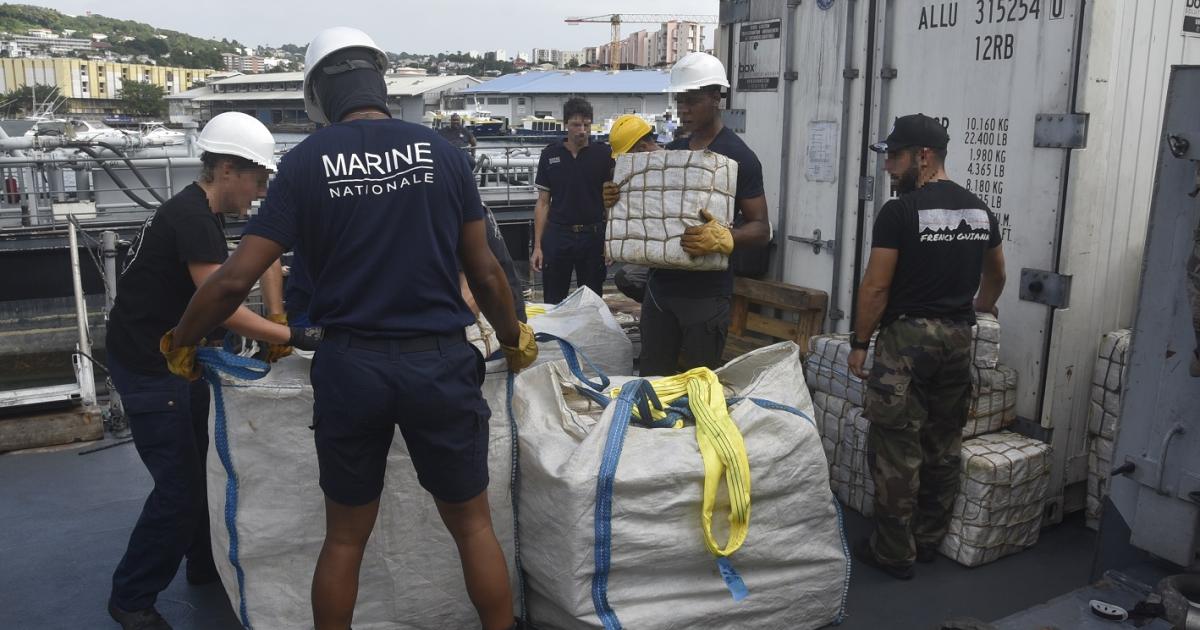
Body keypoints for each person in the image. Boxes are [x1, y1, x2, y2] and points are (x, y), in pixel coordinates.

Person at [161, 27, 535, 630]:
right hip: (438, 363)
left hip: (350, 367)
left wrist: (182, 340)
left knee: (344, 540)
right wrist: (513, 336)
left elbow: (233, 281)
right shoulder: (441, 153)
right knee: (472, 525)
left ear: (316, 94)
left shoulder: (305, 164)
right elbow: (487, 271)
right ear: (381, 83)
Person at [104, 112, 302, 630]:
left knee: (201, 461)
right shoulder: (191, 218)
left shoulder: (195, 212)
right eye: (258, 181)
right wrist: (289, 335)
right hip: (154, 366)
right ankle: (131, 597)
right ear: (229, 169)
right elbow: (220, 302)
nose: (259, 193)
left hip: (170, 360)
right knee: (179, 489)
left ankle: (203, 562)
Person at [847, 113, 1006, 580]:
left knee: (896, 444)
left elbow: (875, 288)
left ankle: (895, 552)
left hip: (907, 341)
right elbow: (997, 273)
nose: (888, 168)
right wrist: (981, 306)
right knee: (943, 441)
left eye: (895, 158)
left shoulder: (900, 213)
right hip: (958, 339)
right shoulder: (979, 210)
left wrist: (859, 343)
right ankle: (928, 540)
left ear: (924, 156)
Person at [604, 52, 770, 376]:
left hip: (705, 298)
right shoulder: (676, 152)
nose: (683, 109)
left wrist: (726, 237)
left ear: (716, 97)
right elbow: (648, 209)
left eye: (692, 100)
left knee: (697, 388)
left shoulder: (740, 158)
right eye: (680, 100)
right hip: (660, 291)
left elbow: (762, 229)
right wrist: (615, 198)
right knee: (652, 384)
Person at [530, 97, 614, 304]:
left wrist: (610, 241)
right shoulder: (550, 155)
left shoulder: (604, 155)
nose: (582, 130)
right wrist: (538, 246)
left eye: (586, 125)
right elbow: (543, 202)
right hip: (558, 235)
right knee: (553, 299)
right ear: (565, 124)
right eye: (576, 125)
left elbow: (610, 202)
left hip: (593, 236)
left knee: (592, 300)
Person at [608, 114, 662, 303]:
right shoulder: (634, 176)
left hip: (676, 249)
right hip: (651, 248)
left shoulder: (675, 170)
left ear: (642, 149)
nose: (622, 164)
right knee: (626, 278)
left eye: (626, 157)